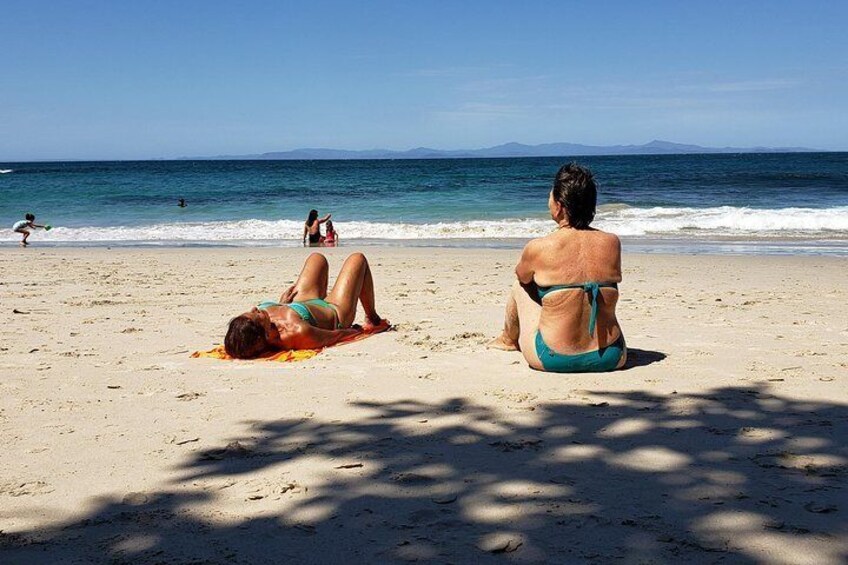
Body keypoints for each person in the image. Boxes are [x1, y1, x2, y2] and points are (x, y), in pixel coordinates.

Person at [489, 163, 626, 372]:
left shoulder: (540, 247)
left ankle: (508, 340)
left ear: (560, 206)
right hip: (611, 356)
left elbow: (522, 276)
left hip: (553, 358)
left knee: (520, 286)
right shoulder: (612, 243)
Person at [224, 252, 384, 359]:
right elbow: (334, 336)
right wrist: (356, 331)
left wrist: (282, 304)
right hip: (335, 310)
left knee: (317, 258)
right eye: (256, 315)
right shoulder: (297, 332)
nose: (254, 309)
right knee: (358, 259)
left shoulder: (261, 323)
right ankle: (372, 316)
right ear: (266, 334)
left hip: (301, 304)